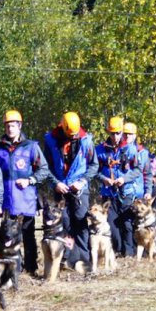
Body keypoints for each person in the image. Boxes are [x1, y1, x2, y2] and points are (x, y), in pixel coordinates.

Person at [0, 110, 49, 275]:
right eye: (7, 125)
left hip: (25, 199)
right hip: (6, 200)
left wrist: (30, 180)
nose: (10, 129)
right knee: (8, 236)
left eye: (13, 125)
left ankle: (31, 267)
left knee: (27, 235)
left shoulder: (31, 146)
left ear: (19, 126)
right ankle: (12, 268)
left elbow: (43, 170)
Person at [43, 111, 99, 268]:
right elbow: (45, 167)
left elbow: (94, 165)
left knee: (80, 223)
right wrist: (55, 184)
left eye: (75, 134)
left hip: (80, 189)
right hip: (60, 188)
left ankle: (84, 260)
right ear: (63, 128)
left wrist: (82, 181)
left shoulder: (86, 141)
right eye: (71, 134)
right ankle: (66, 259)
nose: (74, 137)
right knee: (65, 224)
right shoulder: (51, 140)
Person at [96, 117, 141, 257]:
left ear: (122, 132)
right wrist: (104, 179)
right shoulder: (100, 150)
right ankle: (118, 250)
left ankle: (129, 253)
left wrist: (124, 179)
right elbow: (93, 171)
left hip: (126, 193)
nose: (115, 137)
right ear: (108, 132)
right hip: (108, 194)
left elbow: (137, 170)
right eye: (112, 133)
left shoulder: (130, 149)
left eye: (118, 133)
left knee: (127, 224)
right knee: (112, 226)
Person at [123, 122, 153, 202]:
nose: (127, 136)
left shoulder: (143, 153)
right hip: (122, 194)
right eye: (125, 134)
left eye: (130, 134)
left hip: (138, 194)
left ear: (135, 136)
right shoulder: (118, 151)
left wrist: (148, 192)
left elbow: (148, 174)